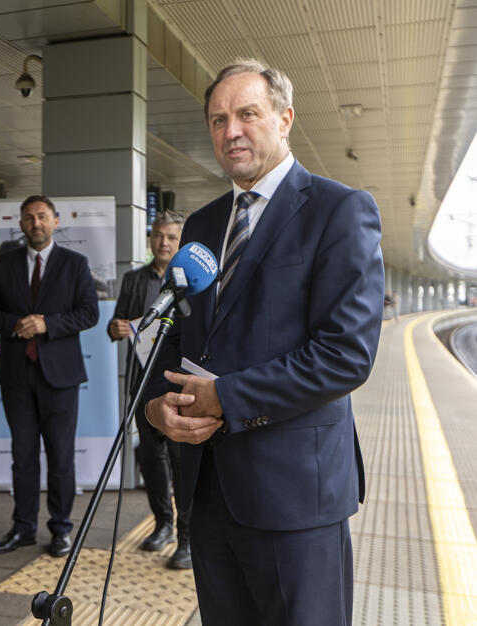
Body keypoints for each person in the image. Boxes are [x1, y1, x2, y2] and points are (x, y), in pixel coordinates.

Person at [145, 59, 384, 626]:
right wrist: (156, 406)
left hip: (295, 496)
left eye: (247, 114)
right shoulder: (202, 226)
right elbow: (177, 336)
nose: (231, 131)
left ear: (285, 119)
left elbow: (345, 355)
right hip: (208, 494)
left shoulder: (339, 210)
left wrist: (224, 398)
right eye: (218, 119)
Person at [0, 194, 99, 558]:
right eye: (29, 218)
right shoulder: (6, 263)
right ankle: (23, 527)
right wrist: (17, 325)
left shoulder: (75, 264)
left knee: (61, 457)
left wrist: (47, 324)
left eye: (42, 216)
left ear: (55, 221)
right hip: (16, 376)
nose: (36, 223)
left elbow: (89, 313)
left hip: (60, 378)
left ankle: (61, 528)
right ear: (21, 224)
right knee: (23, 456)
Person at [107, 211, 191, 569]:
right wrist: (116, 328)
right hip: (143, 384)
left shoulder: (193, 280)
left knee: (182, 463)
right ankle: (163, 526)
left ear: (181, 241)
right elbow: (116, 325)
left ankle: (187, 538)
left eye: (171, 237)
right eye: (158, 235)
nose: (163, 243)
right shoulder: (134, 279)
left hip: (180, 385)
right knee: (152, 459)